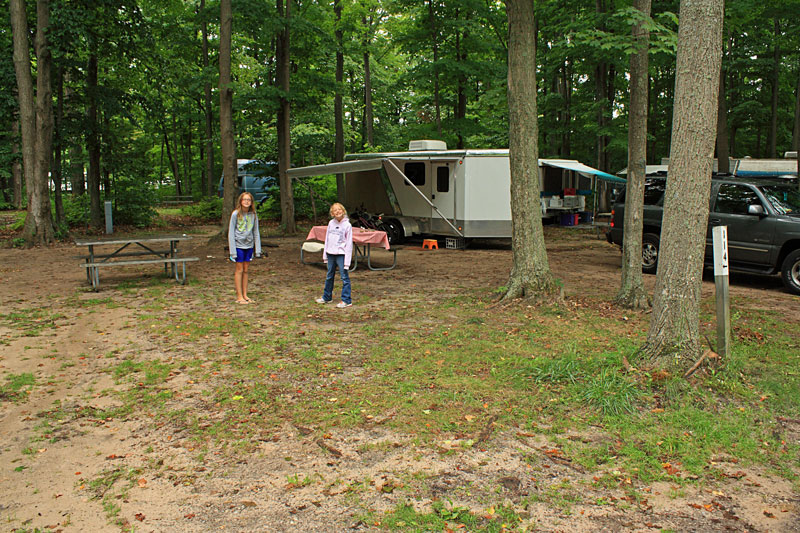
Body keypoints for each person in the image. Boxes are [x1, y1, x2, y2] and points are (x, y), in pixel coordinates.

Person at [316, 202, 353, 308]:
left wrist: (347, 262)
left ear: (343, 211)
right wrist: (325, 255)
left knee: (344, 277)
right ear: (332, 213)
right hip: (330, 253)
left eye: (339, 209)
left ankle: (346, 300)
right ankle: (327, 297)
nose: (337, 211)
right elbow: (327, 239)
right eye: (335, 210)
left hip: (341, 254)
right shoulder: (331, 223)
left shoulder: (347, 225)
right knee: (329, 276)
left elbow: (349, 244)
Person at [228, 192, 262, 304]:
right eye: (244, 199)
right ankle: (239, 296)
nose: (247, 201)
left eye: (249, 200)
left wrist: (258, 250)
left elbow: (256, 232)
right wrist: (232, 251)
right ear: (241, 201)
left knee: (246, 270)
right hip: (238, 245)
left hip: (249, 245)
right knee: (239, 269)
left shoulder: (253, 215)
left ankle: (245, 294)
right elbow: (231, 233)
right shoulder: (235, 214)